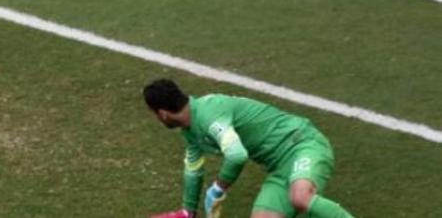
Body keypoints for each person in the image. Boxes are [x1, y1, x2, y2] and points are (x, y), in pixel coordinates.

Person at [144, 79, 354, 218]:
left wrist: (219, 187)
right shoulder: (190, 131)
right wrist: (187, 212)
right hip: (279, 169)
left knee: (299, 198)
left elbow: (236, 155)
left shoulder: (208, 114)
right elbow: (193, 171)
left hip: (302, 144)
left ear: (162, 113)